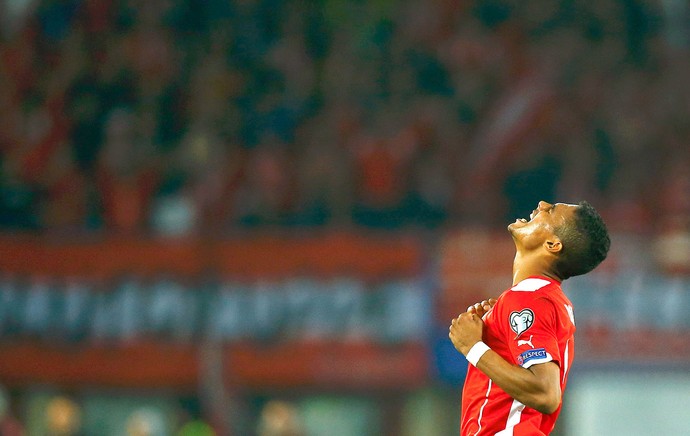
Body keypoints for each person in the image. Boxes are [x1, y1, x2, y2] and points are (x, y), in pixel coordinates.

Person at [448, 200, 610, 435]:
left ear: (553, 244)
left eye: (551, 211)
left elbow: (545, 393)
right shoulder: (544, 299)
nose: (542, 205)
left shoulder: (529, 299)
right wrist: (493, 332)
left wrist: (472, 348)